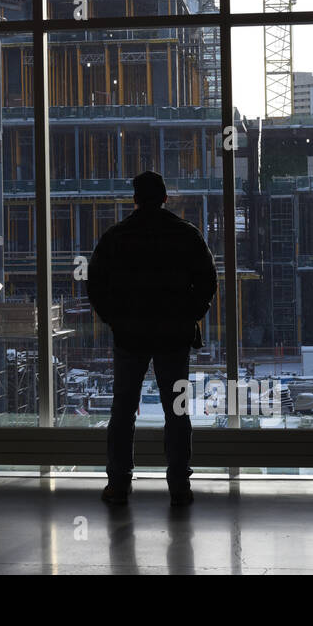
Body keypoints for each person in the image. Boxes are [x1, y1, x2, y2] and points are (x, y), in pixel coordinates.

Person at [86, 170, 217, 507]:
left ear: (135, 199)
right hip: (173, 336)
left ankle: (118, 483)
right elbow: (207, 281)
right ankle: (178, 486)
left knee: (123, 409)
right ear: (164, 198)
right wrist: (189, 316)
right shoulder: (186, 235)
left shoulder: (117, 237)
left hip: (130, 336)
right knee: (177, 411)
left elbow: (97, 284)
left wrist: (115, 320)